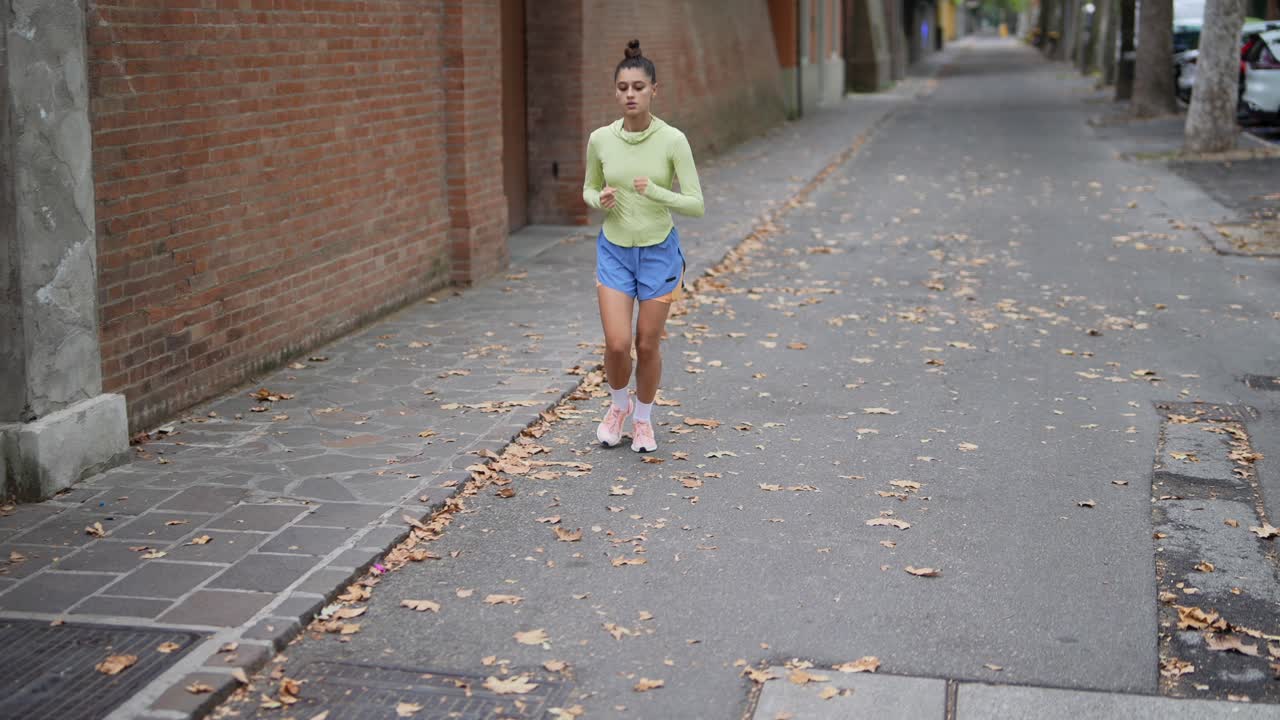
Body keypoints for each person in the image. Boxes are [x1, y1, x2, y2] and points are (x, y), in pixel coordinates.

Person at [584, 39, 704, 453]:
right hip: (615, 250)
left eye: (638, 87)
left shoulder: (673, 140)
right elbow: (588, 187)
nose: (630, 94)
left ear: (655, 89)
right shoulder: (601, 139)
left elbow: (696, 203)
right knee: (617, 344)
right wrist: (597, 199)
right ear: (615, 92)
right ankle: (619, 406)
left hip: (659, 253)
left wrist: (656, 192)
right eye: (623, 88)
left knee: (647, 343)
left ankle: (643, 419)